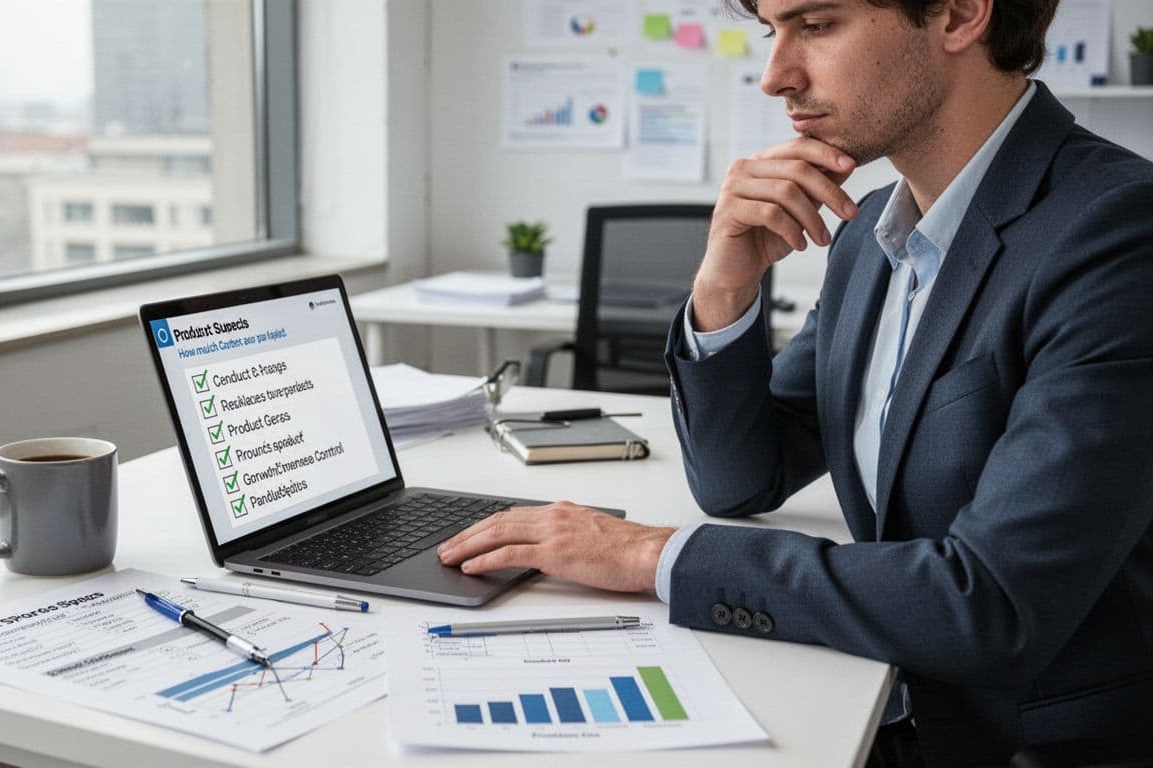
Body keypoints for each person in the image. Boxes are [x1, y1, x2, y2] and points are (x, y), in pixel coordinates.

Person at [437, 0, 1153, 763]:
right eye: (770, 32)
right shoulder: (874, 233)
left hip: (1028, 741)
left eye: (816, 25)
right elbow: (743, 476)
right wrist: (722, 288)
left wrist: (650, 556)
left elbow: (994, 605)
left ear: (958, 15)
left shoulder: (1117, 232)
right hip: (879, 687)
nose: (775, 76)